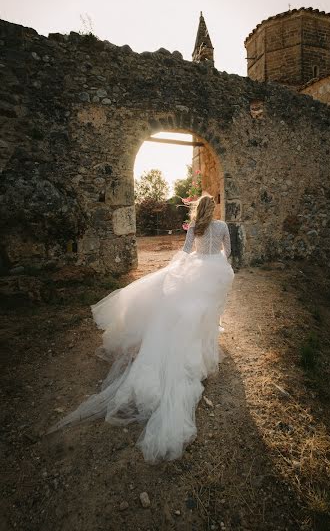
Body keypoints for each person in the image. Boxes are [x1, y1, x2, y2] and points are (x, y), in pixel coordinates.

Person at [48, 195, 234, 463]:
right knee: (206, 308)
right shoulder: (222, 226)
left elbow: (186, 250)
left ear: (198, 209)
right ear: (212, 209)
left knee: (188, 309)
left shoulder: (195, 227)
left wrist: (177, 269)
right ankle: (205, 341)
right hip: (215, 271)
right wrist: (216, 264)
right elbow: (226, 252)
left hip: (195, 268)